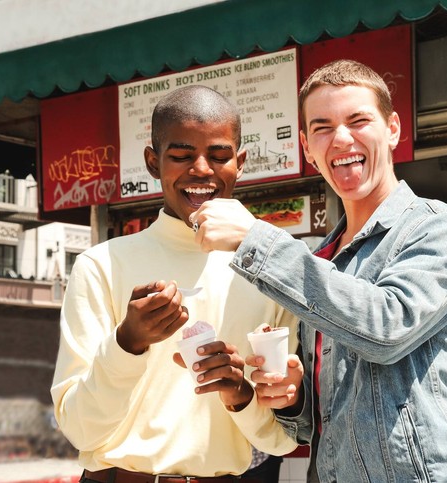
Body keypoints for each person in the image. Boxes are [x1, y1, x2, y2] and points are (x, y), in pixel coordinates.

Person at [190, 60, 447, 482]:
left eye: (358, 120)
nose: (342, 138)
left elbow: (385, 329)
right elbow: (326, 424)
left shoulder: (439, 228)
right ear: (307, 148)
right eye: (322, 127)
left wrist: (255, 239)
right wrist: (294, 398)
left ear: (392, 129)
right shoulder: (320, 261)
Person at [51, 85, 298, 483]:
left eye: (219, 156)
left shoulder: (271, 269)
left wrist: (240, 393)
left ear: (241, 162)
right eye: (181, 156)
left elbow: (282, 439)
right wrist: (126, 344)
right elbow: (80, 430)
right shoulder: (100, 266)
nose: (201, 169)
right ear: (153, 162)